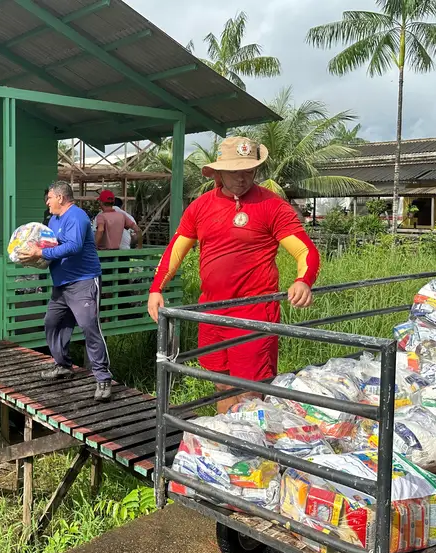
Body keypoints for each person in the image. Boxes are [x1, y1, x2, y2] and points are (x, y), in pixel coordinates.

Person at [147, 136, 321, 412]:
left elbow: (305, 251)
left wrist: (303, 280)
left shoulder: (272, 205)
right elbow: (175, 251)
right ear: (218, 172)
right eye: (235, 172)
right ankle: (226, 445)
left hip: (254, 312)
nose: (242, 178)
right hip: (212, 310)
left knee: (251, 389)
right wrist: (157, 288)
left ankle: (252, 447)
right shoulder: (201, 207)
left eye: (249, 171)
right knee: (220, 382)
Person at [18, 181, 113, 402]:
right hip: (61, 284)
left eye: (49, 197)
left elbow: (74, 246)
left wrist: (40, 252)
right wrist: (32, 253)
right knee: (53, 322)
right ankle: (63, 365)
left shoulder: (77, 216)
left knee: (90, 327)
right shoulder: (53, 219)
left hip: (83, 282)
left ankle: (103, 378)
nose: (47, 202)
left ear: (60, 197)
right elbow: (52, 244)